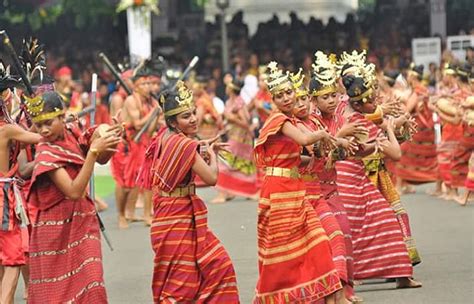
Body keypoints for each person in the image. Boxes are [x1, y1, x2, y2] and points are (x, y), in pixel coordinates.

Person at [138, 81, 239, 303]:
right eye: (186, 116)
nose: (193, 118)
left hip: (170, 216)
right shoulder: (183, 145)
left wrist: (200, 147)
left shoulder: (165, 136)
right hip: (176, 219)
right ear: (173, 121)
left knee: (209, 270)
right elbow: (211, 178)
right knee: (182, 288)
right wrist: (211, 154)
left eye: (193, 113)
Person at [254, 61, 342, 303]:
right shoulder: (279, 120)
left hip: (294, 188)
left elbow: (296, 158)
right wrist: (324, 135)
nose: (286, 98)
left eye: (289, 92)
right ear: (272, 98)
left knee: (317, 241)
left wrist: (321, 154)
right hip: (278, 191)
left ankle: (325, 295)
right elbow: (305, 138)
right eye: (280, 95)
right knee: (284, 250)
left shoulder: (289, 120)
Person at [26, 91, 121, 303]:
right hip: (54, 230)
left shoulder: (72, 131)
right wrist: (93, 153)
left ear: (63, 116)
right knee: (58, 295)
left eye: (49, 122)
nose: (43, 130)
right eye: (38, 125)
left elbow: (102, 157)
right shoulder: (45, 152)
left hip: (82, 220)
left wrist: (113, 137)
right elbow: (73, 191)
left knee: (93, 283)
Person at [337, 72, 421, 288]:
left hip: (347, 178)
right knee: (385, 223)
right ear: (360, 104)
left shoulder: (343, 110)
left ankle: (399, 275)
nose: (376, 104)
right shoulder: (358, 122)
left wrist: (395, 126)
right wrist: (392, 129)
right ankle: (396, 274)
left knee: (372, 226)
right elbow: (395, 153)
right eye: (372, 101)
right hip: (354, 181)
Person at [292, 64, 356, 304]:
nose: (331, 100)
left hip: (327, 188)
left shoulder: (319, 123)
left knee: (342, 236)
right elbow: (318, 153)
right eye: (325, 96)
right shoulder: (300, 125)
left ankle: (343, 292)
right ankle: (330, 295)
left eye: (333, 95)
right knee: (328, 241)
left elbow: (333, 156)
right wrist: (341, 136)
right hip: (304, 193)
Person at [0, 66, 42, 304]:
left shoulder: (10, 128)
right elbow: (43, 137)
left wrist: (33, 114)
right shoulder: (7, 129)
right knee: (14, 257)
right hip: (3, 197)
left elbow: (29, 132)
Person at [118, 64, 160, 227]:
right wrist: (153, 112)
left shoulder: (150, 102)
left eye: (149, 84)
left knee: (147, 180)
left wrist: (157, 115)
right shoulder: (130, 100)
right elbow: (136, 124)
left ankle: (143, 213)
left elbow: (149, 130)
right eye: (144, 84)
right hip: (129, 145)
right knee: (126, 183)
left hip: (144, 144)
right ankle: (122, 215)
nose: (148, 87)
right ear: (136, 86)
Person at [212, 78, 258, 203]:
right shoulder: (229, 102)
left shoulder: (239, 102)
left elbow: (245, 121)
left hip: (240, 139)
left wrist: (231, 118)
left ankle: (223, 194)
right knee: (238, 164)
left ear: (231, 89)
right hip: (234, 137)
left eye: (228, 86)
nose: (226, 88)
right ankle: (236, 192)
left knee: (224, 162)